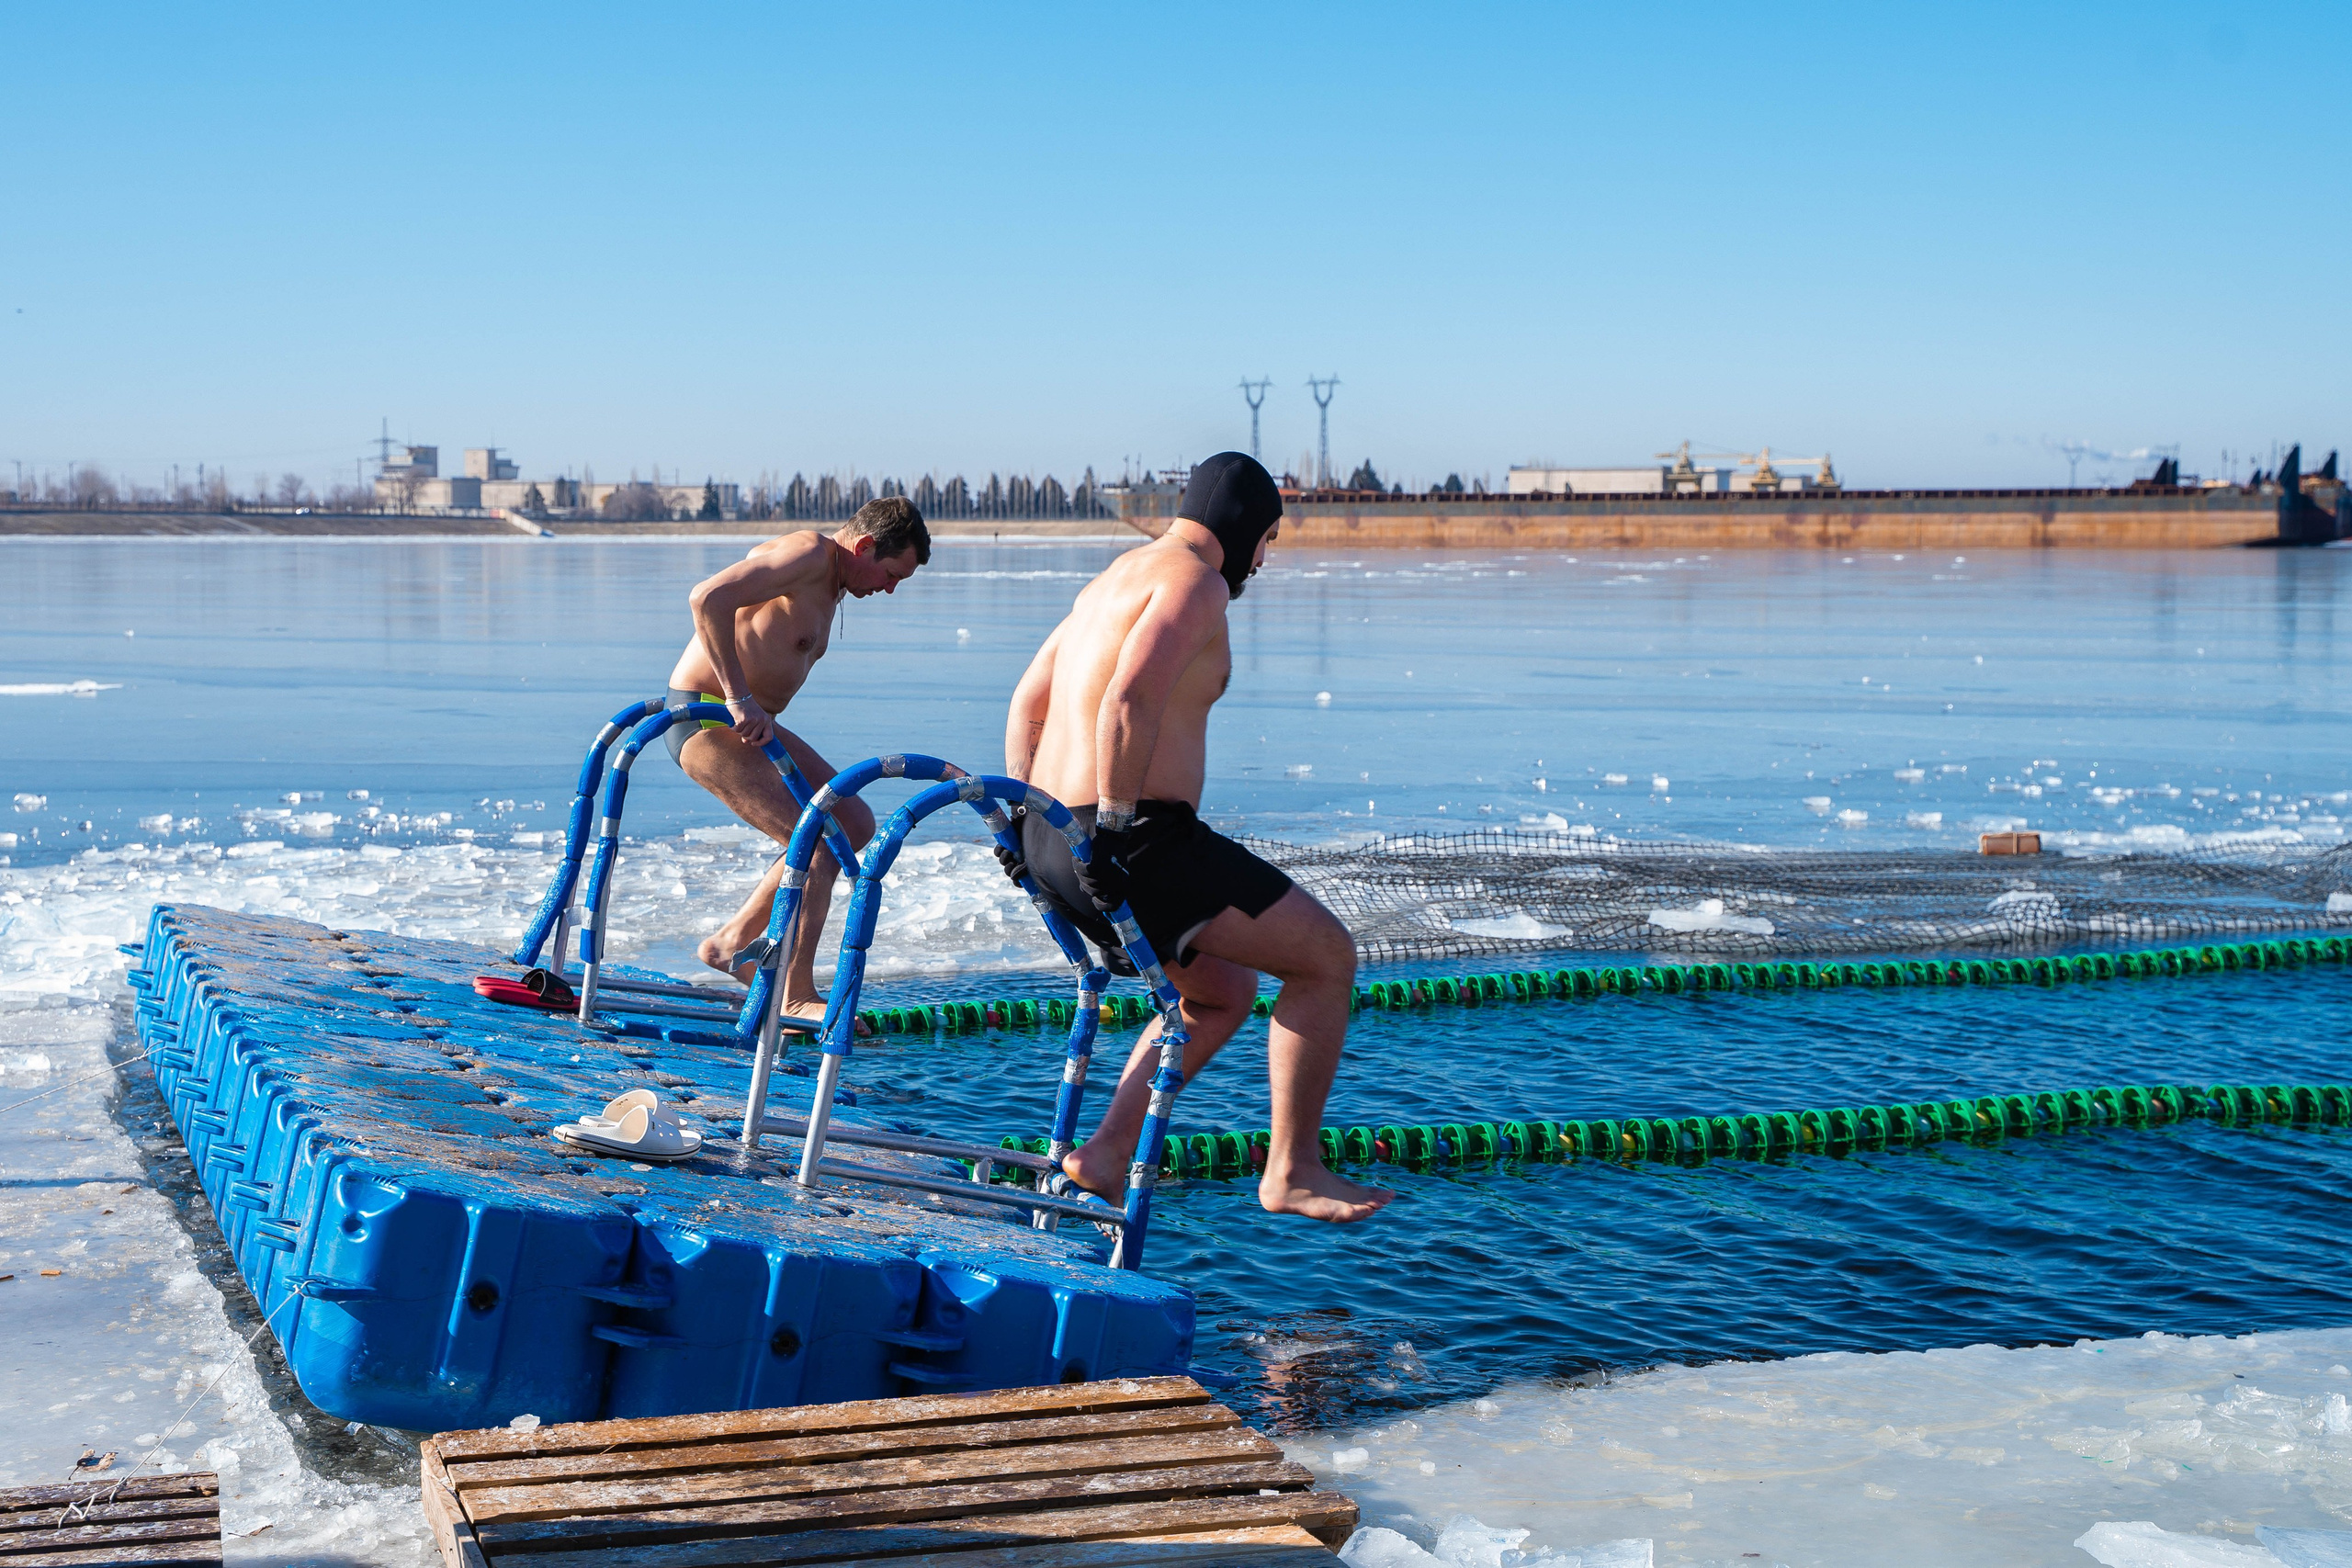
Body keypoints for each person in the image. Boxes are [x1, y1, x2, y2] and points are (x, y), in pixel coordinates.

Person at [998, 452, 1394, 1224]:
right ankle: (1293, 1168)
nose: (1264, 559)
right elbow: (1129, 698)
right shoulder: (1196, 580)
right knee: (1326, 959)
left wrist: (1022, 817)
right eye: (1268, 538)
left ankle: (1106, 1155)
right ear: (1245, 524)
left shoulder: (1112, 579)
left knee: (1222, 993)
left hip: (1054, 835)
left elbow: (1026, 701)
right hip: (1134, 839)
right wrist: (1113, 825)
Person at [666, 496, 928, 1023]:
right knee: (820, 840)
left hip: (750, 722)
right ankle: (793, 990)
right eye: (892, 574)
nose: (891, 589)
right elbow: (706, 599)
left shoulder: (829, 580)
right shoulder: (809, 552)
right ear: (865, 546)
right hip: (709, 717)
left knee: (852, 821)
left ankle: (733, 944)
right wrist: (738, 697)